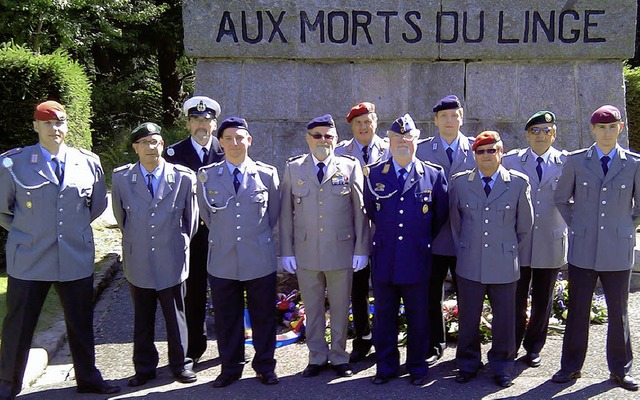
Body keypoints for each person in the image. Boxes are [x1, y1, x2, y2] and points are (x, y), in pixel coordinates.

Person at [0, 100, 119, 398]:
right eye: (48, 122)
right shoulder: (13, 163)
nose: (55, 128)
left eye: (61, 122)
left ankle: (88, 379)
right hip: (29, 256)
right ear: (36, 126)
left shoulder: (87, 161)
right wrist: (31, 232)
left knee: (81, 322)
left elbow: (95, 206)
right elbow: (3, 210)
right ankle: (6, 384)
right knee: (18, 324)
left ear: (67, 125)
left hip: (74, 255)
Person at [552, 105, 640, 392]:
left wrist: (626, 226)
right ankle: (570, 366)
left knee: (619, 312)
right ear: (592, 129)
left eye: (611, 126)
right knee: (578, 310)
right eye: (600, 127)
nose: (606, 132)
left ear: (620, 128)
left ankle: (620, 369)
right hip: (584, 249)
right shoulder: (577, 161)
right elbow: (562, 199)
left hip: (617, 248)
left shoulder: (633, 163)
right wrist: (577, 225)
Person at [280, 114, 369, 379]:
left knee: (341, 307)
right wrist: (286, 250)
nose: (323, 140)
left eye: (328, 136)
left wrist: (361, 249)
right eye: (317, 135)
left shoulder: (349, 166)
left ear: (336, 139)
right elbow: (286, 213)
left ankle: (340, 356)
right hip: (307, 251)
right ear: (308, 139)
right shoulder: (294, 168)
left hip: (341, 251)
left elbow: (360, 211)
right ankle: (316, 357)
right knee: (313, 307)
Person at [363, 114, 448, 386]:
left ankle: (417, 366)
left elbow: (439, 216)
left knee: (418, 316)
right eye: (397, 138)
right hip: (385, 257)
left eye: (408, 137)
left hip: (417, 257)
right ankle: (386, 367)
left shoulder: (433, 175)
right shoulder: (375, 173)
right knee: (385, 317)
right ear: (389, 141)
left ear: (416, 140)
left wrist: (417, 239)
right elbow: (372, 212)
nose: (403, 142)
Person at [112, 122, 199, 387]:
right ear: (135, 148)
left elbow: (191, 220)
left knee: (176, 316)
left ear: (163, 145)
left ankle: (181, 364)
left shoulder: (183, 177)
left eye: (157, 142)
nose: (152, 148)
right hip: (138, 257)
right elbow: (121, 217)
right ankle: (144, 368)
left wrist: (177, 244)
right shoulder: (122, 178)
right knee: (142, 317)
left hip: (171, 256)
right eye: (146, 143)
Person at [197, 117, 281, 388]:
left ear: (249, 141)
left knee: (264, 316)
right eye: (228, 139)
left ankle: (265, 365)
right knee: (226, 317)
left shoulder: (267, 174)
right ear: (220, 143)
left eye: (240, 138)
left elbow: (273, 214)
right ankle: (230, 367)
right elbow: (208, 216)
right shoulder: (207, 175)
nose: (235, 143)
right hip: (223, 258)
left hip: (258, 256)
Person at [449, 131, 533, 388]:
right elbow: (456, 223)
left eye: (492, 150)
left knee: (505, 320)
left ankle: (501, 366)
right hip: (470, 262)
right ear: (474, 155)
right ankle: (467, 364)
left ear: (501, 152)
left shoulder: (518, 183)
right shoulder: (460, 183)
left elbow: (525, 226)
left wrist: (505, 248)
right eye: (481, 151)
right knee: (469, 319)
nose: (487, 155)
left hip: (504, 263)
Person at [502, 111, 567, 368]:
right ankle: (512, 342)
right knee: (515, 297)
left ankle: (534, 346)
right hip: (520, 241)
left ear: (554, 134)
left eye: (547, 130)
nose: (541, 135)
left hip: (551, 240)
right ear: (527, 134)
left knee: (544, 298)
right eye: (536, 130)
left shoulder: (566, 162)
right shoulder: (511, 161)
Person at [415, 95, 476, 365]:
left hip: (468, 236)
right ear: (435, 120)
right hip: (435, 236)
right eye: (444, 116)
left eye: (454, 115)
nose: (450, 121)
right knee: (431, 293)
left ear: (462, 117)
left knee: (469, 295)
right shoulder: (421, 150)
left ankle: (467, 349)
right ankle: (434, 344)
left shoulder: (478, 148)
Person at [164, 95, 224, 363]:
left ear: (214, 123)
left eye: (207, 120)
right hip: (190, 236)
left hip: (223, 234)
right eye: (196, 119)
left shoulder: (227, 150)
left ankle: (230, 347)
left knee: (227, 293)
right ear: (188, 123)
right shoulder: (173, 155)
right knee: (193, 293)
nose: (202, 124)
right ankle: (193, 349)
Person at [335, 101, 389, 363]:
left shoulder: (390, 150)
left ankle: (382, 338)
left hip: (383, 232)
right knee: (357, 289)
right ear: (351, 126)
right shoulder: (339, 152)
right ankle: (362, 339)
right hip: (353, 232)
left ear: (376, 123)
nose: (364, 127)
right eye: (358, 123)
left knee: (383, 287)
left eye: (368, 121)